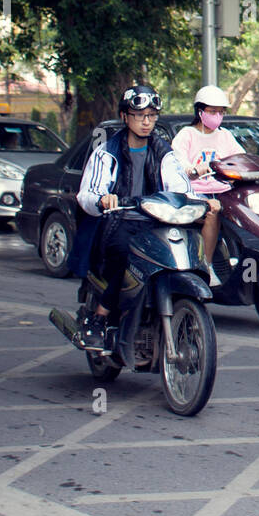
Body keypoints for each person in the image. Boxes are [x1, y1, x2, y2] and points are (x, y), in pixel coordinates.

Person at [74, 84, 215, 352]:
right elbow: (87, 195)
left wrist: (202, 202)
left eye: (151, 115)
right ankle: (99, 318)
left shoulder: (165, 153)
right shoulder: (107, 153)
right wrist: (104, 199)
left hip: (158, 224)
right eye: (140, 115)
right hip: (120, 224)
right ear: (125, 117)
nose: (146, 121)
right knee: (128, 260)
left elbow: (181, 189)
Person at [171, 84, 244, 270]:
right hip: (195, 195)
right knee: (213, 212)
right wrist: (194, 170)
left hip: (224, 192)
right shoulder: (187, 135)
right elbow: (179, 164)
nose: (217, 116)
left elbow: (240, 158)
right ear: (200, 111)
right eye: (212, 111)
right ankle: (206, 266)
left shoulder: (225, 136)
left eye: (221, 112)